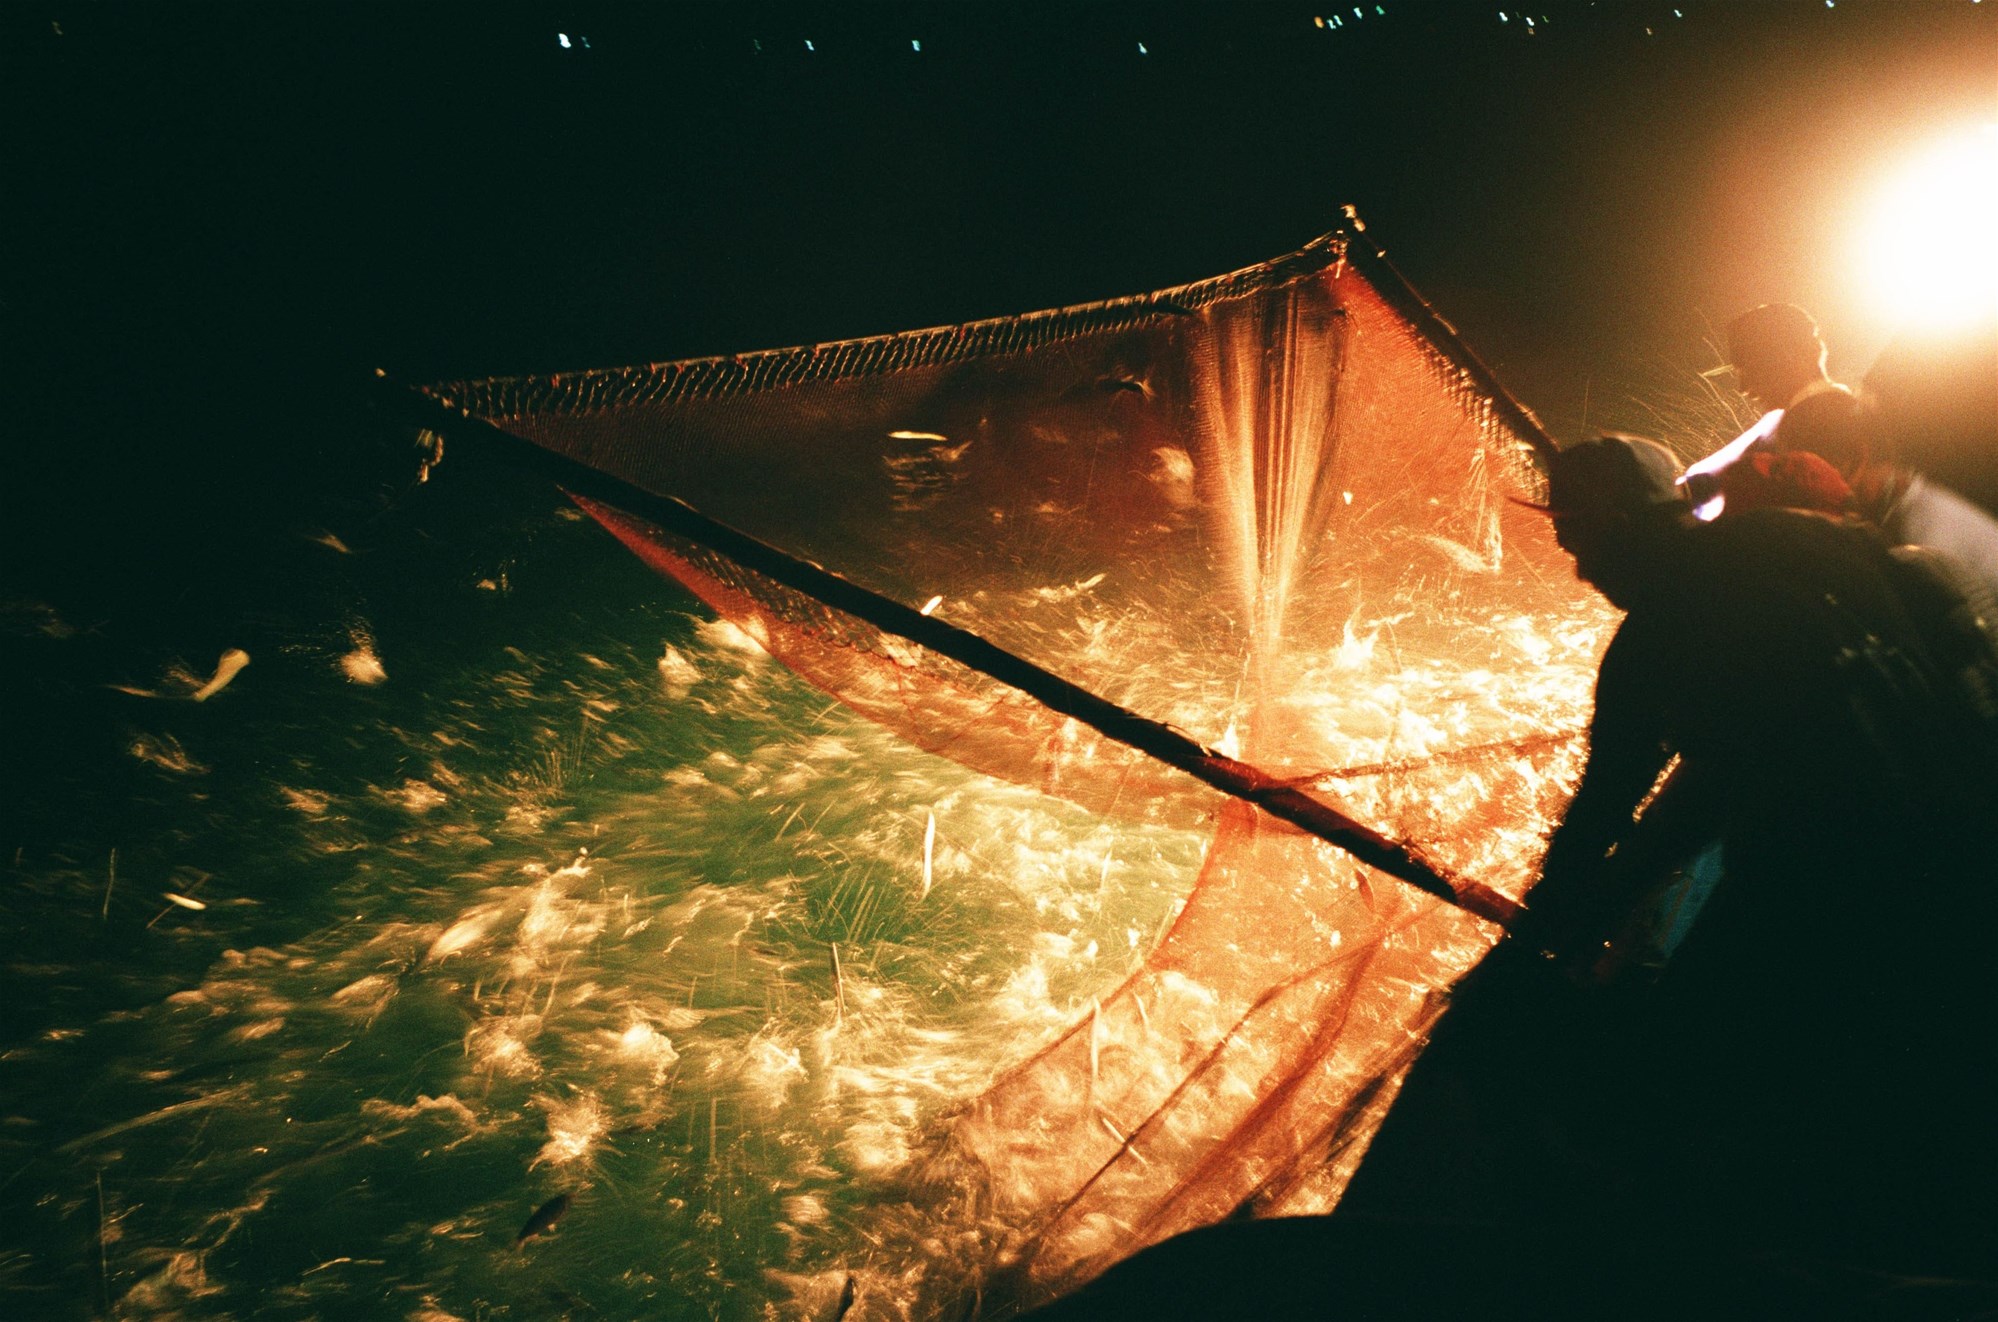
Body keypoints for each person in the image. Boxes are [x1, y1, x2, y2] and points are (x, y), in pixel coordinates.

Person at [1337, 434, 1998, 1282]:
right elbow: (1727, 778)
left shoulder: (1652, 642)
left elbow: (1600, 817)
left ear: (1618, 522)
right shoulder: (1808, 538)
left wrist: (1540, 942)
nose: (1580, 571)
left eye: (1577, 541)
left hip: (1840, 885)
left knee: (1667, 1086)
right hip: (1970, 842)